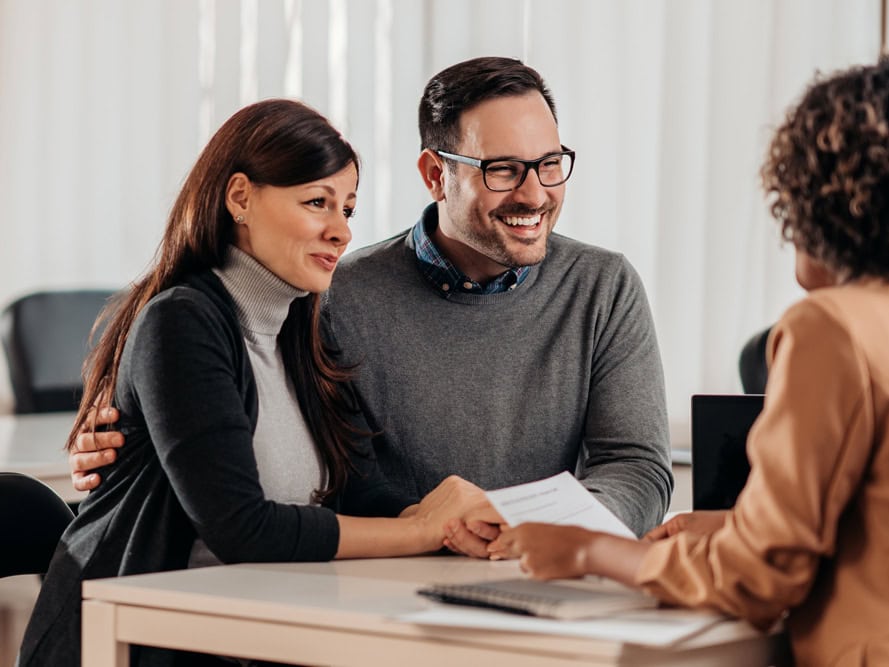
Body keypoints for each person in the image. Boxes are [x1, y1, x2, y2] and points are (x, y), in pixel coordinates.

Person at [489, 55, 889, 665]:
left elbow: (758, 579)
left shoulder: (835, 329)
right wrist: (736, 523)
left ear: (831, 196)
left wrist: (587, 552)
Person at [69, 57, 674, 552]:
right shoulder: (329, 296)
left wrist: (544, 532)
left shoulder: (604, 286)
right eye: (504, 170)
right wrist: (130, 439)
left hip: (534, 572)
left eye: (548, 164)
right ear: (435, 175)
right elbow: (284, 491)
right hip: (364, 594)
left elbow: (636, 468)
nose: (535, 193)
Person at [19, 99, 495, 666]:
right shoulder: (183, 322)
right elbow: (240, 529)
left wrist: (455, 524)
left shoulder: (302, 328)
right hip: (147, 644)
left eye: (348, 209)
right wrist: (421, 531)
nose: (340, 231)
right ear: (240, 198)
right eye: (317, 202)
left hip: (256, 630)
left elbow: (360, 488)